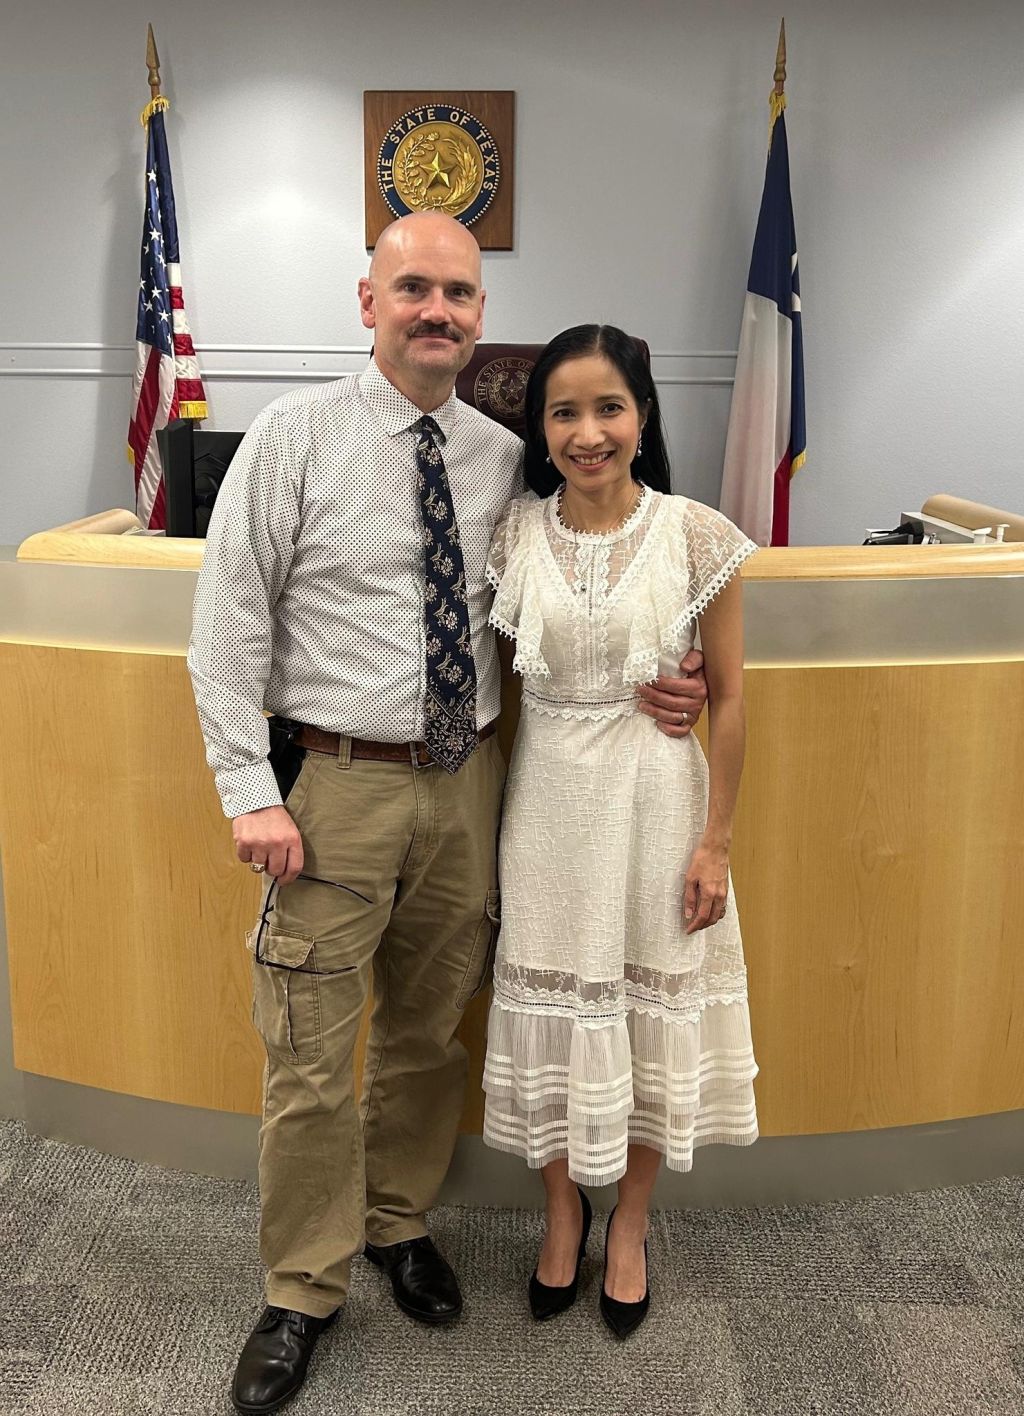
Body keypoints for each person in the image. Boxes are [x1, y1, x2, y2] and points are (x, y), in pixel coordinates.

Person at [188, 215, 708, 1414]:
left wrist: (666, 676)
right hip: (335, 789)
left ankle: (395, 1222)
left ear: (480, 314)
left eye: (459, 293)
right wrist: (249, 792)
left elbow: (575, 596)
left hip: (470, 783)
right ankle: (300, 1289)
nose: (438, 311)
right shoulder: (290, 439)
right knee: (312, 1056)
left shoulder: (500, 460)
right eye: (413, 287)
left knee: (429, 1032)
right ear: (366, 298)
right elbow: (225, 630)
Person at [481, 323, 760, 1338]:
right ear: (539, 425)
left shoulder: (697, 533)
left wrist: (716, 841)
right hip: (548, 804)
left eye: (608, 407)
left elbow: (726, 699)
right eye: (564, 411)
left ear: (641, 416)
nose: (587, 431)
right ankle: (562, 1214)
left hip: (657, 804)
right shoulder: (510, 532)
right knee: (549, 1017)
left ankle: (629, 1226)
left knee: (646, 1014)